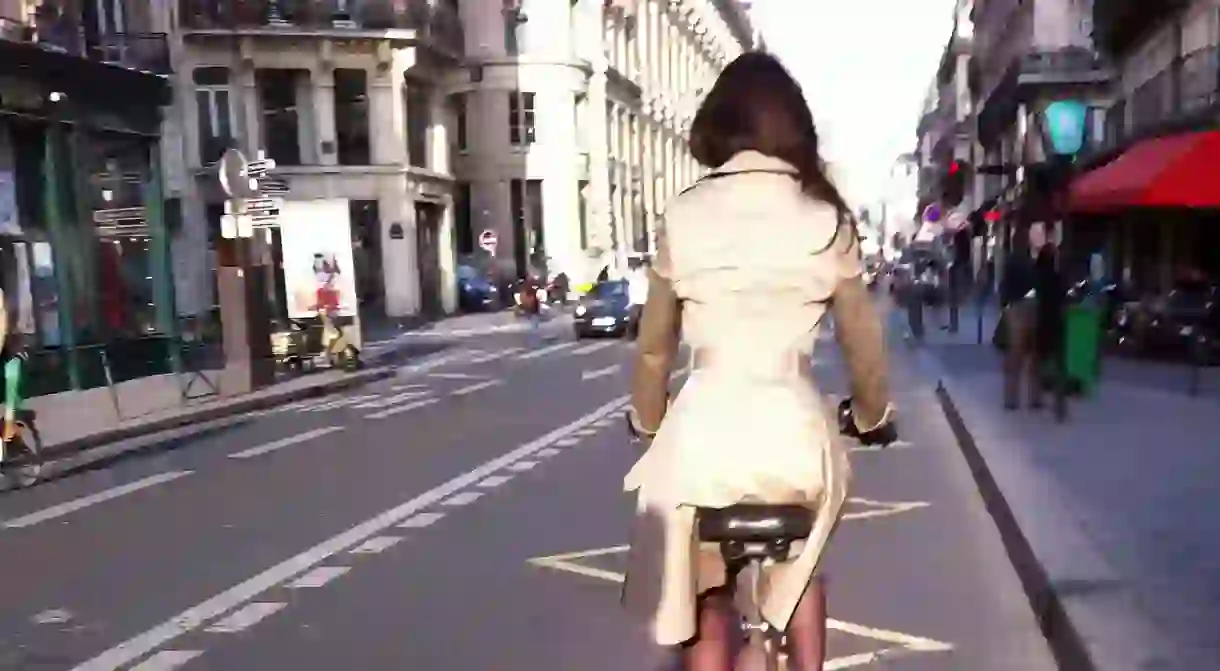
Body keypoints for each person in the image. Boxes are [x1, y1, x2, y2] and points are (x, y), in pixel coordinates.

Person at [621, 52, 895, 671]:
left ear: (720, 124)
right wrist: (872, 415)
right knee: (800, 568)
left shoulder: (685, 212)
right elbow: (863, 345)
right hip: (793, 435)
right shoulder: (825, 215)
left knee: (704, 594)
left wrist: (648, 418)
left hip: (705, 439)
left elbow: (655, 346)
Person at [999, 231, 1038, 410]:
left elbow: (1004, 285)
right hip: (1025, 307)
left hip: (1016, 307)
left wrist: (1005, 307)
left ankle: (1012, 398)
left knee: (1017, 355)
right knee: (1030, 354)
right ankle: (1032, 398)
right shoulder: (1027, 261)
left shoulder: (1012, 260)